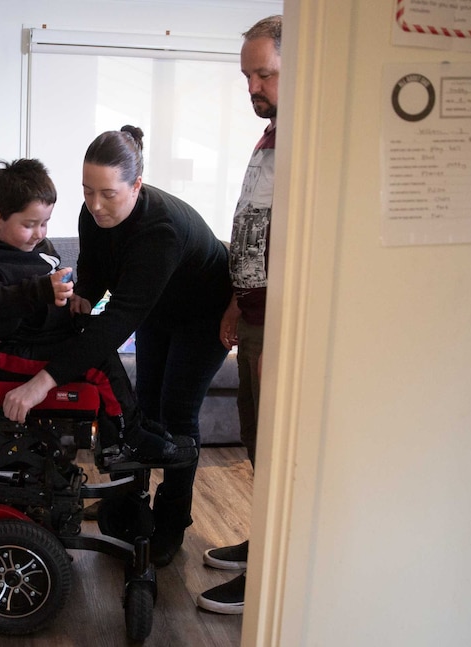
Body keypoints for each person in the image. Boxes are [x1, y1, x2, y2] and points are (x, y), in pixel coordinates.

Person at [0, 132, 232, 567]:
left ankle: (171, 521)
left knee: (177, 414)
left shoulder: (159, 230)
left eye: (108, 194)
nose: (95, 204)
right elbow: (96, 264)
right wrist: (85, 292)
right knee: (141, 409)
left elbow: (116, 324)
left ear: (137, 186)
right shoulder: (95, 212)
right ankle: (126, 505)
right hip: (160, 309)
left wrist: (40, 383)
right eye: (87, 191)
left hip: (204, 314)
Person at [0, 158, 198, 469]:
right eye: (29, 225)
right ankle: (126, 442)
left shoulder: (34, 247)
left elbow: (55, 286)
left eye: (44, 223)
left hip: (37, 338)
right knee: (98, 362)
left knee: (99, 345)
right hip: (0, 352)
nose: (39, 233)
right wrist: (41, 291)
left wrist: (72, 302)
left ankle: (133, 428)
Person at [196, 14, 282, 615]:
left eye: (265, 74)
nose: (253, 86)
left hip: (283, 322)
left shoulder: (310, 138)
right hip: (252, 313)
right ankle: (265, 545)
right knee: (257, 443)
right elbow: (254, 229)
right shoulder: (272, 135)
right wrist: (234, 297)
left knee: (279, 447)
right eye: (248, 75)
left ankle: (273, 574)